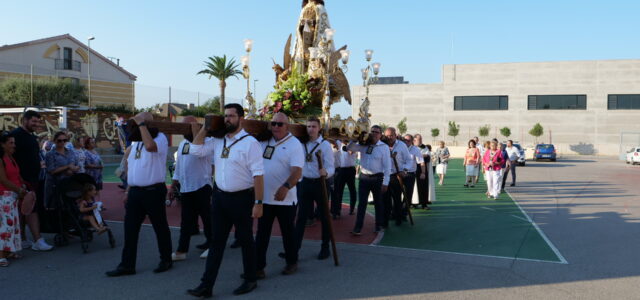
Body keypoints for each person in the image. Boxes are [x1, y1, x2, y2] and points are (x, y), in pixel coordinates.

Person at [187, 104, 264, 297]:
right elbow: (195, 149)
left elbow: (258, 175)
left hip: (242, 198)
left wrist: (259, 202)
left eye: (231, 116)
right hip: (220, 197)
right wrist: (206, 127)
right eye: (225, 116)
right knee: (217, 242)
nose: (227, 119)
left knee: (246, 240)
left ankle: (250, 279)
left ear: (241, 119)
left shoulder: (250, 143)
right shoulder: (217, 140)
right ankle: (206, 285)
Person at [106, 112, 173, 277]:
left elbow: (151, 147)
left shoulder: (160, 138)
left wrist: (142, 124)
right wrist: (128, 190)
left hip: (153, 191)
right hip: (135, 192)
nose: (135, 126)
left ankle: (166, 259)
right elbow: (131, 166)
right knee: (130, 229)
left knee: (160, 227)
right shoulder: (135, 143)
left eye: (140, 123)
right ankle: (127, 265)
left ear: (148, 124)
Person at [255, 112, 304, 278]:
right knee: (262, 234)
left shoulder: (294, 144)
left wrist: (286, 187)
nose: (276, 127)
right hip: (265, 197)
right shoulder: (264, 141)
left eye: (280, 124)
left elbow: (297, 171)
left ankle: (292, 262)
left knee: (288, 234)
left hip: (285, 199)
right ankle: (258, 267)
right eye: (273, 123)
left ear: (287, 126)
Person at [169, 116, 213, 262]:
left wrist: (196, 133)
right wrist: (173, 185)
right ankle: (182, 250)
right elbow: (179, 167)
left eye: (187, 127)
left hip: (202, 186)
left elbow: (198, 152)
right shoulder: (182, 144)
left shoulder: (207, 141)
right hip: (186, 188)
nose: (183, 130)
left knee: (207, 219)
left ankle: (212, 246)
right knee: (186, 221)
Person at [10, 110, 53, 251]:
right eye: (33, 121)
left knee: (24, 210)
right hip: (23, 180)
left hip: (34, 178)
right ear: (25, 120)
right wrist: (19, 178)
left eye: (38, 122)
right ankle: (37, 240)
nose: (36, 124)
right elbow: (11, 158)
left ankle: (22, 238)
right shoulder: (15, 135)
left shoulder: (31, 136)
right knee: (31, 209)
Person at [294, 116, 334, 260]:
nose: (310, 129)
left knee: (324, 217)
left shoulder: (325, 145)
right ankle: (294, 249)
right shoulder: (300, 143)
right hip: (305, 183)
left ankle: (325, 247)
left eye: (313, 126)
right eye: (309, 126)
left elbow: (331, 166)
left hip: (320, 184)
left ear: (319, 129)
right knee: (301, 217)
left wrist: (326, 172)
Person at [348, 125, 390, 234]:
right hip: (364, 178)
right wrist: (354, 138)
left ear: (381, 135)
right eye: (372, 132)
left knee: (378, 203)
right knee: (361, 203)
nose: (374, 134)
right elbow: (350, 148)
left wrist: (385, 183)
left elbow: (387, 167)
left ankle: (378, 225)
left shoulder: (384, 147)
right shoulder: (363, 145)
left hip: (377, 178)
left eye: (377, 132)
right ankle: (358, 228)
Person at [0, 132, 24, 267]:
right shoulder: (1, 160)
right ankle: (0, 256)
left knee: (13, 225)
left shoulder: (11, 158)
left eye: (14, 143)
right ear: (2, 145)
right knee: (5, 226)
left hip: (13, 196)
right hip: (3, 196)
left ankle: (9, 251)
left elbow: (16, 176)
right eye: (11, 143)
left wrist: (23, 186)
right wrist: (19, 190)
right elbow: (3, 179)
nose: (14, 145)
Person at [383, 128, 412, 227]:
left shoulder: (401, 145)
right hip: (384, 176)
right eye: (387, 135)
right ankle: (385, 221)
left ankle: (398, 218)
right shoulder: (382, 145)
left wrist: (404, 170)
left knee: (397, 199)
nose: (389, 137)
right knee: (385, 200)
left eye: (391, 135)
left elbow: (409, 160)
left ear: (395, 135)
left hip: (396, 176)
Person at [44, 132, 79, 209]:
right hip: (55, 186)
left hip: (69, 185)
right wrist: (67, 167)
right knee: (55, 209)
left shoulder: (71, 152)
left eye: (64, 140)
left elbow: (77, 165)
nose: (62, 142)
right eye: (59, 140)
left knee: (70, 207)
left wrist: (74, 169)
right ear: (54, 141)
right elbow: (51, 170)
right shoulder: (50, 154)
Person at [333, 139, 357, 215]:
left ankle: (352, 209)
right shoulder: (339, 142)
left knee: (352, 190)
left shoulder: (353, 143)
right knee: (339, 191)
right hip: (341, 170)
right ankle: (338, 210)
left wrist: (346, 143)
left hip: (350, 170)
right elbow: (331, 139)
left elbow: (350, 152)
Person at [403, 134, 425, 209]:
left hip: (410, 174)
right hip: (399, 173)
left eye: (408, 140)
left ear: (412, 141)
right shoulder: (399, 148)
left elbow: (421, 162)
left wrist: (423, 172)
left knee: (408, 194)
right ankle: (395, 212)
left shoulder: (416, 150)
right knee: (396, 193)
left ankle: (405, 211)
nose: (406, 142)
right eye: (404, 140)